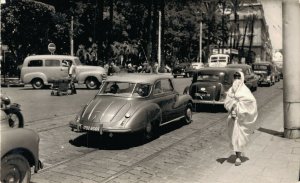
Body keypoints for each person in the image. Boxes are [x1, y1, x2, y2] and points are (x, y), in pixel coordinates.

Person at [224, 71, 258, 166]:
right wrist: (232, 106)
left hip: (241, 119)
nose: (237, 80)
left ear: (242, 78)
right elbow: (227, 102)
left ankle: (238, 157)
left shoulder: (245, 90)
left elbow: (251, 102)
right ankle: (237, 154)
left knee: (239, 137)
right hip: (232, 117)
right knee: (234, 137)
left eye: (239, 77)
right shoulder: (231, 90)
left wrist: (238, 107)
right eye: (235, 77)